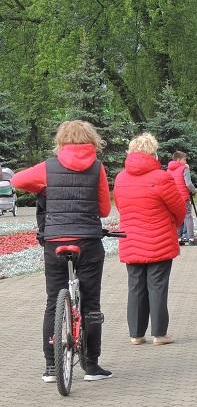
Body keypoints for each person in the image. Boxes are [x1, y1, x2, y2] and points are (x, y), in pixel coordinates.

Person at [11, 120, 112, 382]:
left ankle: (51, 367)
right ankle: (91, 366)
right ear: (91, 140)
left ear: (61, 140)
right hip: (88, 242)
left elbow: (17, 180)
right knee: (91, 304)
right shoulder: (97, 168)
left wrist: (45, 187)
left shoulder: (48, 167)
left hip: (55, 241)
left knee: (52, 302)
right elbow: (104, 210)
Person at [114, 133, 186, 346]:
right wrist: (173, 224)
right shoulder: (161, 177)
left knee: (135, 286)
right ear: (152, 152)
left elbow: (120, 206)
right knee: (157, 286)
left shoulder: (120, 178)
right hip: (159, 239)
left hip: (131, 239)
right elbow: (179, 209)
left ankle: (136, 334)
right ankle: (159, 334)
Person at [167, 151, 197, 246]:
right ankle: (191, 238)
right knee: (188, 216)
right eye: (184, 159)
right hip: (183, 196)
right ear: (178, 160)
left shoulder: (169, 170)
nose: (186, 161)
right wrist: (194, 190)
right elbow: (188, 184)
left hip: (174, 197)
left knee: (178, 217)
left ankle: (179, 238)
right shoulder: (184, 169)